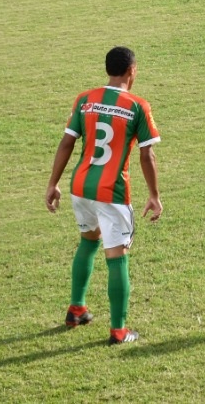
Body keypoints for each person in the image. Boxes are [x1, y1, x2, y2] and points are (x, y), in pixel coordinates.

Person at [45, 46, 162, 345]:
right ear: (132, 71)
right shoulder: (138, 106)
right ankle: (119, 330)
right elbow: (146, 156)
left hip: (81, 187)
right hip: (112, 192)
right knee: (117, 256)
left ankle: (77, 309)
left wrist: (52, 184)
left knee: (88, 241)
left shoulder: (85, 100)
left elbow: (66, 143)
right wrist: (154, 195)